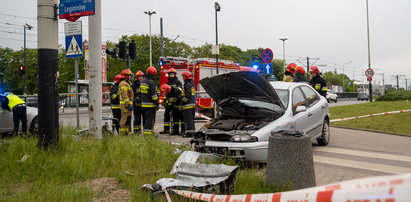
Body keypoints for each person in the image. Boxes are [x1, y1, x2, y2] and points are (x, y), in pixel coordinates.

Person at [160, 68, 182, 134]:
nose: (171, 75)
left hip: (175, 103)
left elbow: (180, 93)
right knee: (166, 116)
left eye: (172, 74)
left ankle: (175, 130)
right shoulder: (168, 82)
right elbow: (165, 92)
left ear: (175, 75)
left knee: (175, 117)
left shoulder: (178, 82)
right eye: (170, 74)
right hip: (168, 102)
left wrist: (177, 102)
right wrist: (164, 100)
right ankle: (166, 129)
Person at [140, 66, 159, 135]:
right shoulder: (151, 82)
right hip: (150, 105)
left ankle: (148, 132)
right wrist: (157, 103)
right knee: (149, 120)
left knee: (145, 119)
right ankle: (148, 135)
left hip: (143, 104)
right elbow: (153, 95)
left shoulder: (143, 81)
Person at [119, 69, 134, 135]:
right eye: (130, 75)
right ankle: (122, 133)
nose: (131, 77)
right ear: (126, 76)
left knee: (127, 119)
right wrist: (128, 104)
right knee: (124, 120)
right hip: (125, 105)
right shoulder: (123, 84)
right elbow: (125, 95)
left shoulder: (127, 83)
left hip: (127, 105)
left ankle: (126, 132)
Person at [181, 71, 196, 138]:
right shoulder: (191, 84)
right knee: (191, 120)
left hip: (187, 106)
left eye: (183, 77)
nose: (183, 78)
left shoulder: (187, 85)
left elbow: (187, 95)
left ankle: (189, 133)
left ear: (186, 77)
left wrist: (182, 103)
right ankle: (192, 132)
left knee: (188, 120)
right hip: (192, 105)